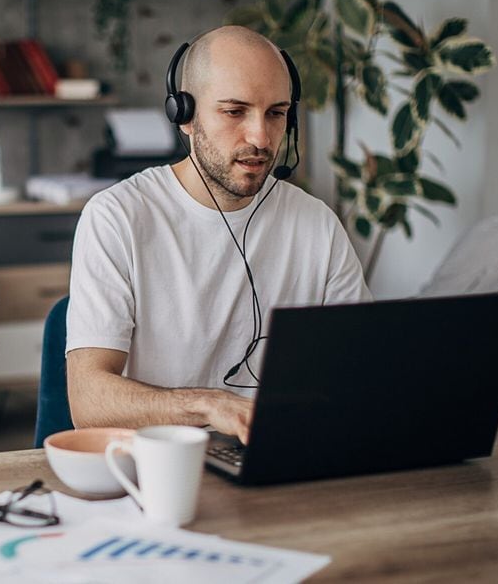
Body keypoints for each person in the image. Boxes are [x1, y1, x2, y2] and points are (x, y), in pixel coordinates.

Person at [66, 26, 371, 444]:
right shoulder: (117, 216)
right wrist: (210, 405)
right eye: (234, 112)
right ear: (184, 115)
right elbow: (89, 403)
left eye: (276, 113)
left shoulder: (315, 222)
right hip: (161, 470)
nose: (261, 138)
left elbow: (361, 368)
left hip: (281, 455)